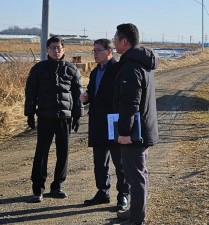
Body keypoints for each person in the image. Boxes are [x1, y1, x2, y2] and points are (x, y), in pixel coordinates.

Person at [24, 35, 84, 203]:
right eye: (52, 48)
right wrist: (29, 114)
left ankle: (57, 185)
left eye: (59, 48)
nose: (56, 51)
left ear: (63, 50)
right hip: (45, 117)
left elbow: (78, 95)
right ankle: (38, 188)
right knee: (41, 152)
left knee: (63, 152)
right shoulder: (38, 69)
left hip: (65, 118)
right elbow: (30, 93)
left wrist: (78, 116)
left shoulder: (71, 69)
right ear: (47, 50)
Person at [112, 23, 159, 225]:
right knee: (140, 174)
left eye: (115, 37)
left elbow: (130, 103)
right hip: (144, 130)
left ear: (124, 41)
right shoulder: (142, 63)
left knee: (136, 176)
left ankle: (137, 219)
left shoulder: (131, 67)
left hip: (134, 133)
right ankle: (135, 211)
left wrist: (124, 132)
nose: (113, 41)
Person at [80, 39, 129, 211]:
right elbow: (92, 93)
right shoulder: (94, 72)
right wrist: (86, 98)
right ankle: (102, 191)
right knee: (100, 161)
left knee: (120, 162)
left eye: (98, 50)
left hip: (114, 121)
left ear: (109, 52)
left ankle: (123, 195)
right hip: (97, 122)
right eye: (93, 51)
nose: (94, 54)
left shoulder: (118, 70)